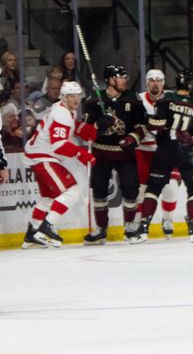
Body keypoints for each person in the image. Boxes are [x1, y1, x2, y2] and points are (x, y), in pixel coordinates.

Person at [22, 81, 105, 248]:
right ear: (63, 97)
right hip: (43, 156)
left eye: (78, 96)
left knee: (48, 198)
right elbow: (58, 144)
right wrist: (83, 154)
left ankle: (33, 233)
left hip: (36, 155)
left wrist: (94, 129)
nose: (75, 99)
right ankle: (46, 227)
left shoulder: (65, 110)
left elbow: (72, 128)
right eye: (71, 96)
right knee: (72, 191)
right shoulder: (62, 114)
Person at [135, 71, 193, 243]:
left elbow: (156, 124)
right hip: (186, 152)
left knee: (153, 188)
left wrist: (167, 127)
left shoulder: (165, 101)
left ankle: (143, 228)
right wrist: (192, 138)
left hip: (164, 150)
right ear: (191, 85)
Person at [82, 65, 147, 245]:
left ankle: (130, 227)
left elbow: (142, 126)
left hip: (124, 153)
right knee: (99, 190)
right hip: (101, 152)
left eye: (125, 76)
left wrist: (132, 139)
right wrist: (97, 126)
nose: (125, 80)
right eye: (120, 77)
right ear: (110, 80)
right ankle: (101, 230)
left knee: (131, 188)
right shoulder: (95, 99)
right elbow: (83, 130)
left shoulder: (133, 99)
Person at [133, 69, 182, 241]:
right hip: (144, 150)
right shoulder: (138, 100)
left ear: (163, 82)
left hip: (166, 149)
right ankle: (139, 223)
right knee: (142, 191)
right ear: (147, 83)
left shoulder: (171, 99)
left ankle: (167, 219)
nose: (155, 83)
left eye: (159, 80)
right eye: (152, 80)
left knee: (170, 187)